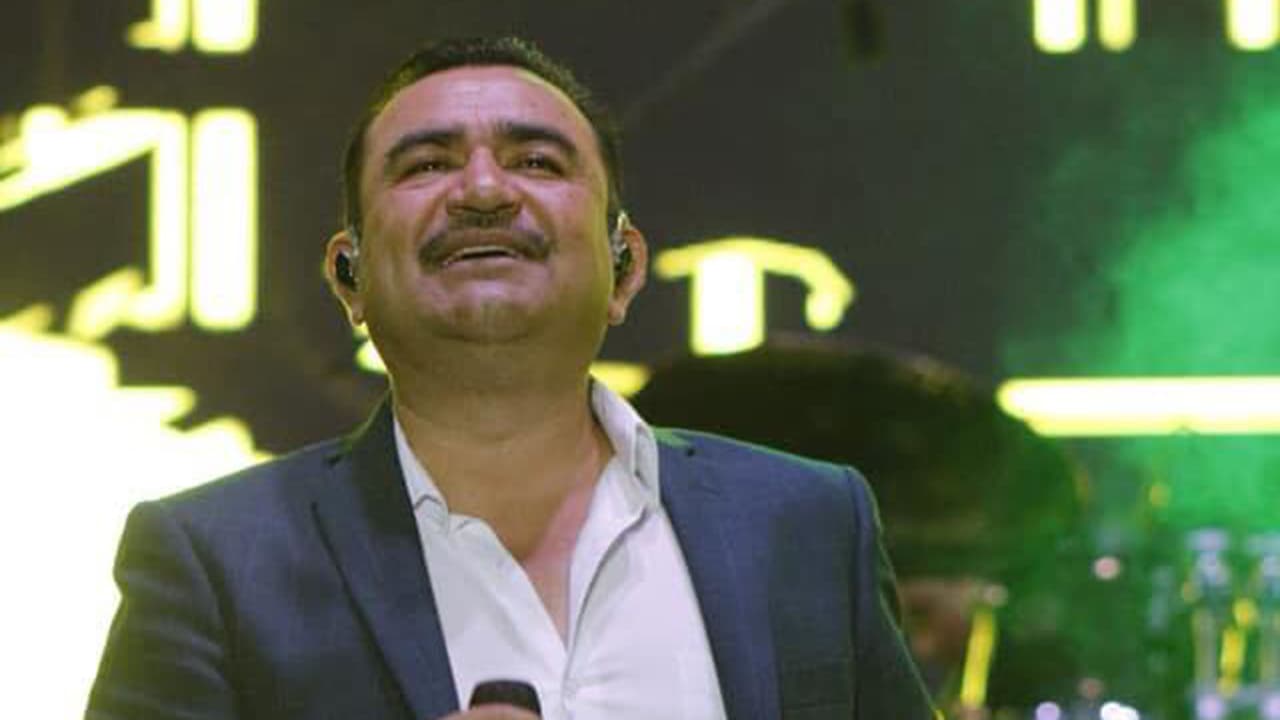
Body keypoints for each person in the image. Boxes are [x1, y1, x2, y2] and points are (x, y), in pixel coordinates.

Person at [85, 36, 933, 720]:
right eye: (426, 165)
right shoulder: (216, 561)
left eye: (537, 162)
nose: (484, 189)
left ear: (626, 267)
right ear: (349, 279)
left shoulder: (810, 524)